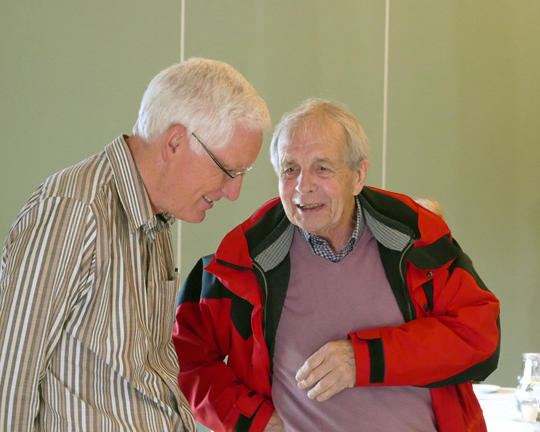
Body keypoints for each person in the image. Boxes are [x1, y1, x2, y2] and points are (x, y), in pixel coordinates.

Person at [172, 99, 500, 431]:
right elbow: (186, 360)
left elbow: (481, 337)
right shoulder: (240, 262)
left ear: (358, 176)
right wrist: (255, 421)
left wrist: (364, 359)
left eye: (322, 167)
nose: (303, 185)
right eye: (290, 169)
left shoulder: (418, 240)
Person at [0, 58, 271, 431]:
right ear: (175, 143)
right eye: (228, 171)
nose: (234, 192)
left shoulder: (156, 214)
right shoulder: (73, 212)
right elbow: (5, 381)